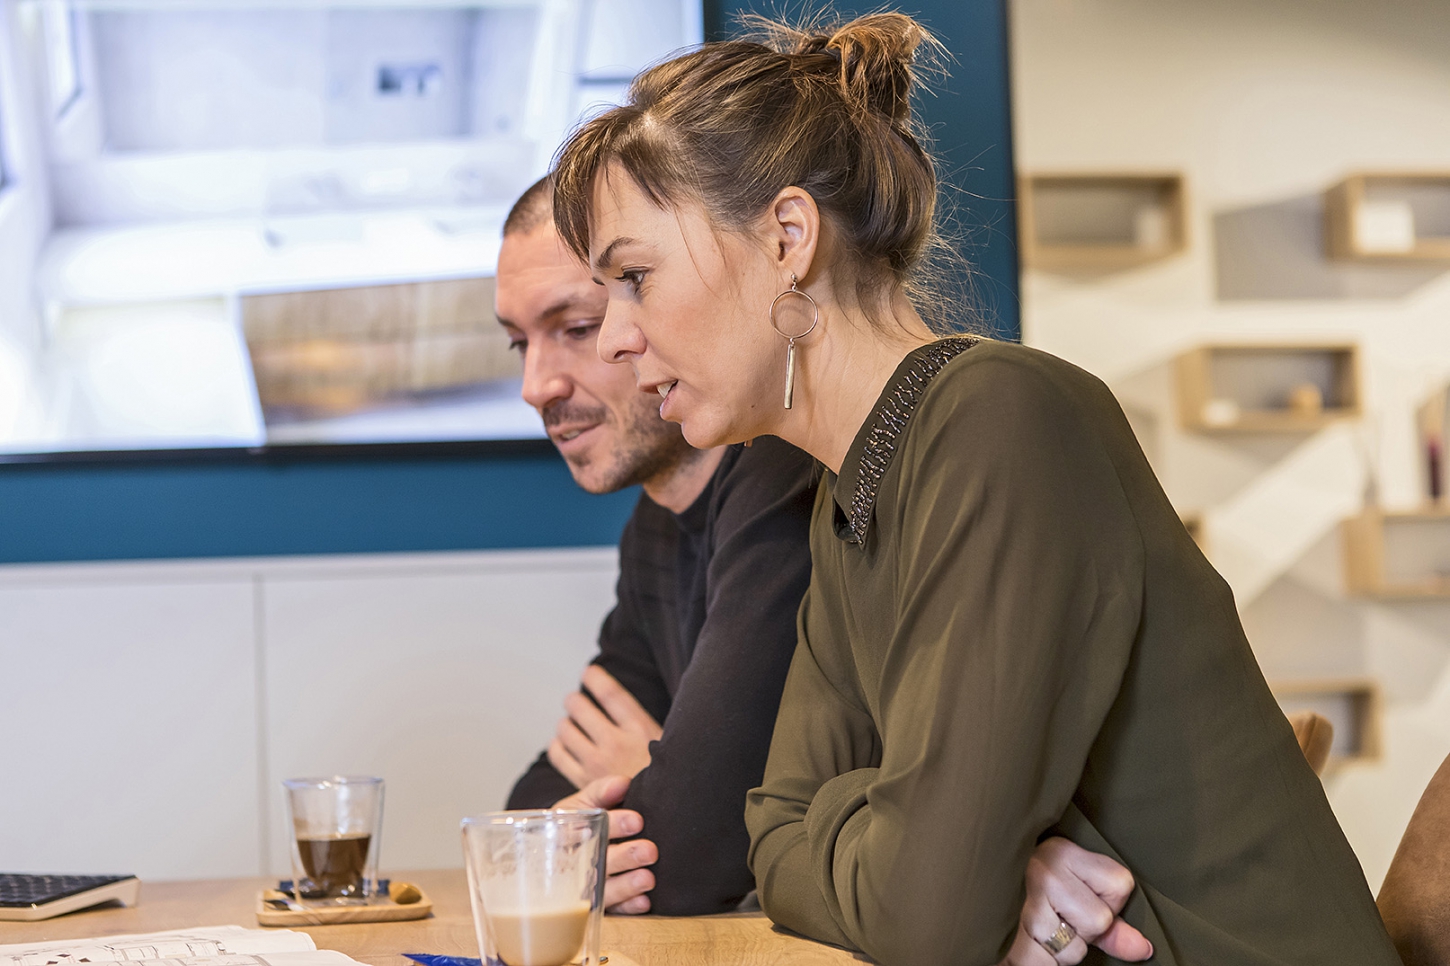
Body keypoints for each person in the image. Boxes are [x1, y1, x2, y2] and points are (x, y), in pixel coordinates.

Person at [548, 11, 1402, 966]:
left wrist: (930, 859)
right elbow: (771, 836)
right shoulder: (849, 496)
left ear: (789, 236)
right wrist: (973, 861)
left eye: (635, 277)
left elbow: (926, 914)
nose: (617, 336)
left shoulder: (1001, 419)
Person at [494, 175, 1153, 965]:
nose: (540, 383)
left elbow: (720, 843)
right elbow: (550, 821)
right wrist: (744, 809)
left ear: (785, 243)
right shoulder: (672, 525)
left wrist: (727, 802)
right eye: (518, 342)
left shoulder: (946, 428)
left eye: (596, 312)